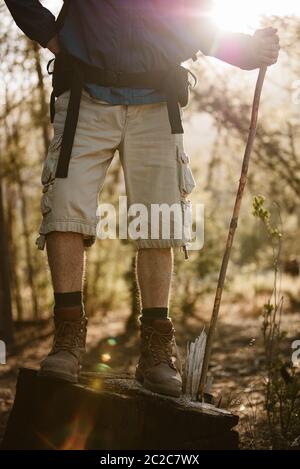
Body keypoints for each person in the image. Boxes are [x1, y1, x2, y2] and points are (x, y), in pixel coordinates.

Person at [4, 0, 280, 397]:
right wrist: (49, 33)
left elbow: (196, 22)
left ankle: (155, 353)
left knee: (159, 221)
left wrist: (249, 51)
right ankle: (66, 340)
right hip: (84, 89)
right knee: (65, 205)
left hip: (157, 98)